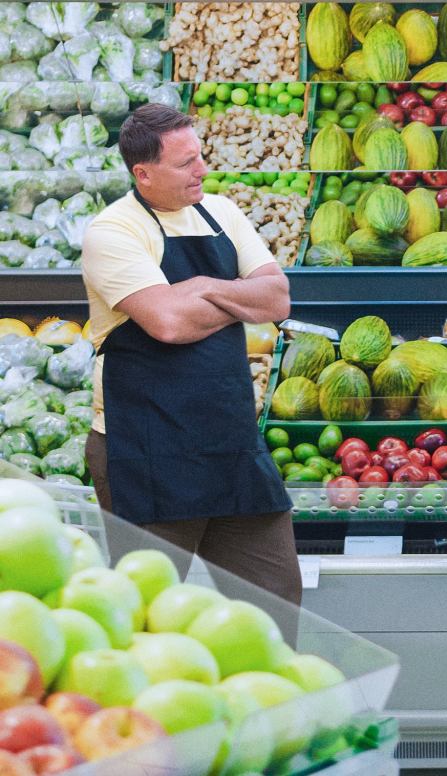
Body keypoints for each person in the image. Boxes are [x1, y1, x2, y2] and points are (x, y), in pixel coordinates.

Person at [81, 103, 301, 608]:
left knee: (275, 595)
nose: (202, 169)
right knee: (149, 608)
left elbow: (276, 299)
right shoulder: (113, 232)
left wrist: (199, 288)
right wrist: (230, 295)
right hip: (147, 447)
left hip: (228, 438)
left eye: (199, 156)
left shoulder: (221, 211)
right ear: (144, 173)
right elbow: (169, 323)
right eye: (185, 163)